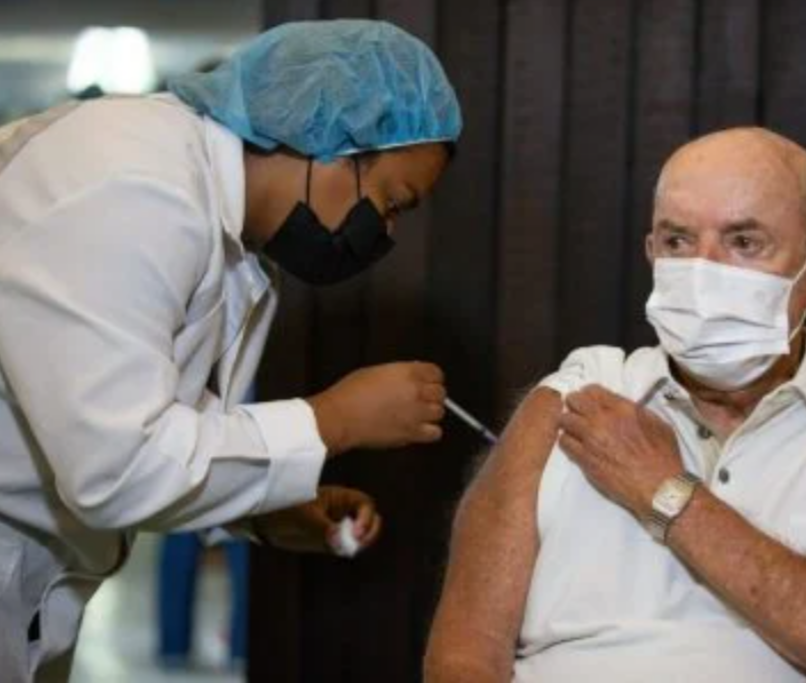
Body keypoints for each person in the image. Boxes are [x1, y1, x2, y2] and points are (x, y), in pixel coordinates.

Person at [0, 19, 461, 683]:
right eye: (391, 203)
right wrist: (334, 419)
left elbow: (164, 424)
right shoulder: (134, 185)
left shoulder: (233, 239)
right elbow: (116, 468)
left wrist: (259, 512)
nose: (382, 234)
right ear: (331, 139)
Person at [425, 128, 806, 683]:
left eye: (744, 242)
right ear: (651, 254)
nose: (704, 273)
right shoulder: (579, 396)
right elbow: (464, 657)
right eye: (678, 242)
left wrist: (663, 488)